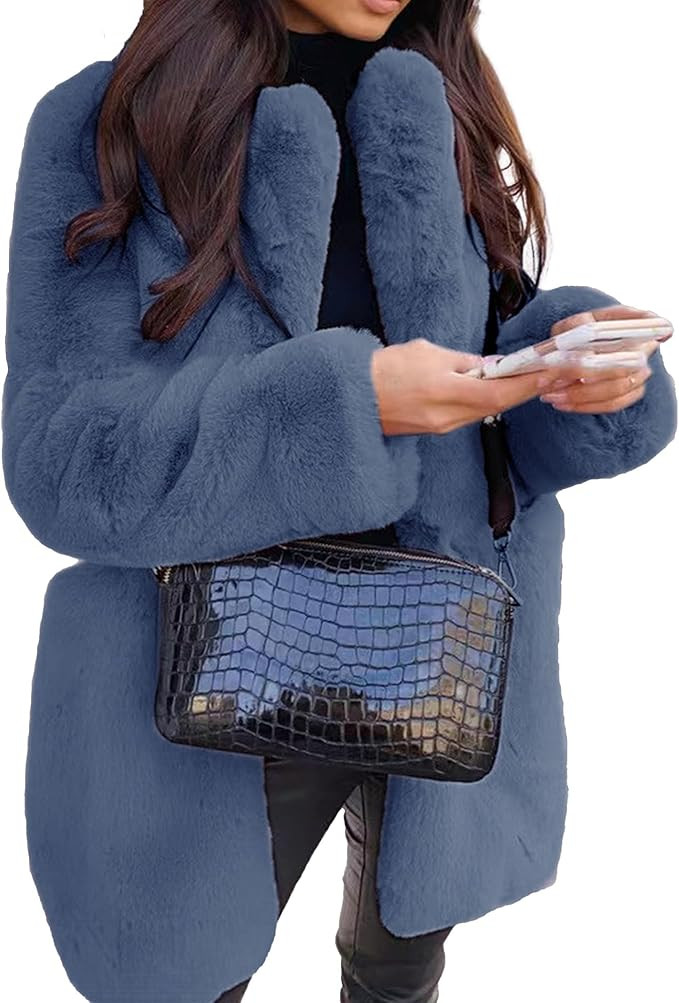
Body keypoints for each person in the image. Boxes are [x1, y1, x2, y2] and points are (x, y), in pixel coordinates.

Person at [2, 1, 676, 1002]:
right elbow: (62, 458)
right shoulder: (112, 121)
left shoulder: (436, 94)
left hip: (442, 653)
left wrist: (560, 375)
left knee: (399, 973)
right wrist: (347, 408)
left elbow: (480, 430)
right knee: (187, 976)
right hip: (201, 676)